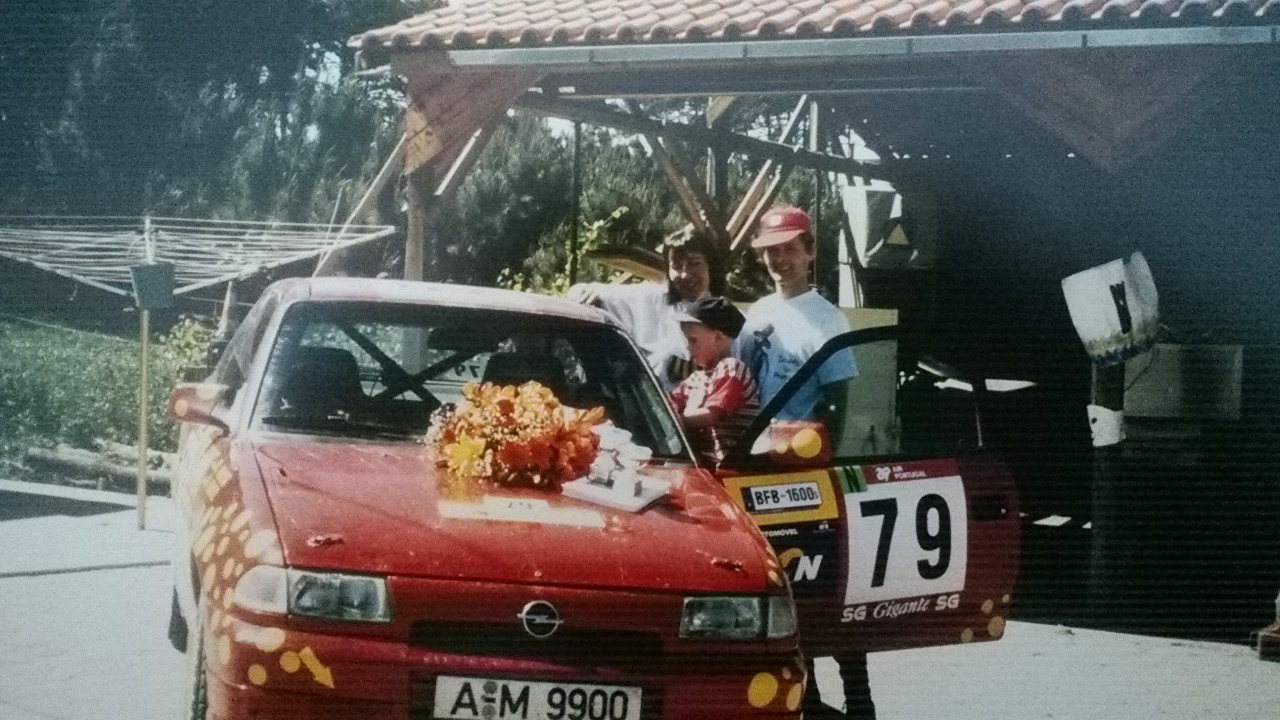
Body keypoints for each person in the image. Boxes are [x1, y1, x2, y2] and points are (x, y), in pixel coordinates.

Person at [738, 205, 872, 720]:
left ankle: (860, 700)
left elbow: (837, 404)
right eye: (771, 251)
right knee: (785, 594)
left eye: (789, 249)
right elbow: (740, 388)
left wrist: (817, 467)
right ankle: (809, 700)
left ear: (810, 251)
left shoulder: (827, 318)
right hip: (756, 472)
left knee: (827, 593)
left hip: (805, 475)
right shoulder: (759, 312)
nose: (779, 260)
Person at [566, 226, 722, 391]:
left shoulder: (729, 319)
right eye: (676, 266)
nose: (685, 274)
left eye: (694, 263)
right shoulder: (653, 299)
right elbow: (589, 292)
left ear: (710, 265)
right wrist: (581, 292)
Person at [669, 297, 760, 462]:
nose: (688, 347)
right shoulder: (696, 378)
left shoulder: (731, 369)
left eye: (693, 340)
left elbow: (712, 415)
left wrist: (670, 421)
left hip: (727, 466)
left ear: (718, 338)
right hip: (703, 463)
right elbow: (669, 403)